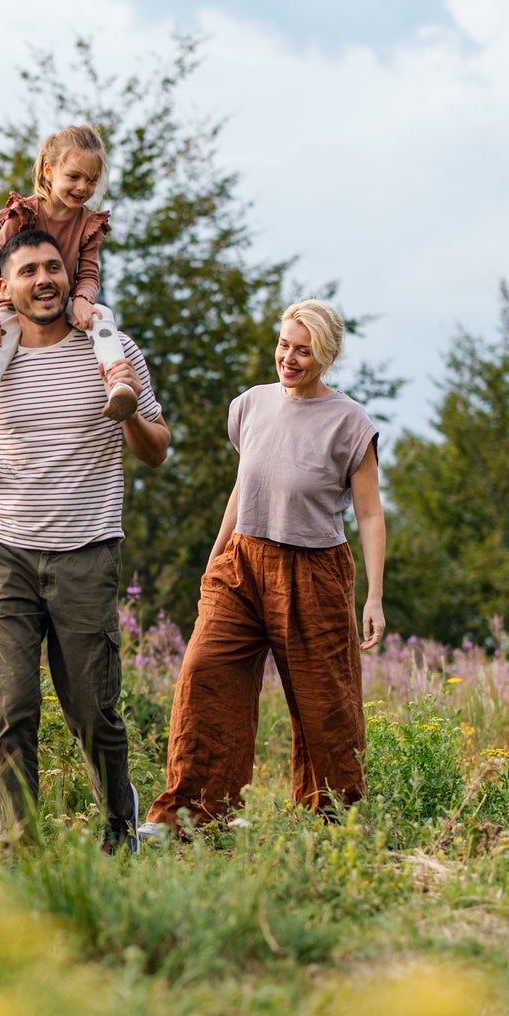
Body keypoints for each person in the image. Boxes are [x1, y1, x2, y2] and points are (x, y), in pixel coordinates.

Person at [0, 226, 172, 853]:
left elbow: (157, 450)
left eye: (53, 266)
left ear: (68, 274)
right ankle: (19, 848)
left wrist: (126, 415)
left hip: (87, 550)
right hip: (7, 553)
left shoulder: (112, 350)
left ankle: (119, 831)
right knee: (12, 706)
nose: (44, 279)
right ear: (6, 287)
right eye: (28, 271)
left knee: (91, 711)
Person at [142, 299, 385, 835]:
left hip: (315, 573)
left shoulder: (350, 423)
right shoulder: (249, 405)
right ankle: (192, 817)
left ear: (328, 354)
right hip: (243, 563)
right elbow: (244, 488)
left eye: (304, 350)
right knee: (205, 674)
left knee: (326, 705)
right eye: (284, 345)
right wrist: (216, 559)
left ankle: (334, 823)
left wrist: (373, 597)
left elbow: (369, 513)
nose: (289, 359)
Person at [0, 124, 137, 475]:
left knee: (101, 316)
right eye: (75, 176)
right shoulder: (27, 213)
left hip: (63, 300)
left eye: (91, 180)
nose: (83, 188)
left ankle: (118, 382)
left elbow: (90, 271)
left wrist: (82, 298)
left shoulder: (88, 223)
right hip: (14, 307)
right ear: (50, 172)